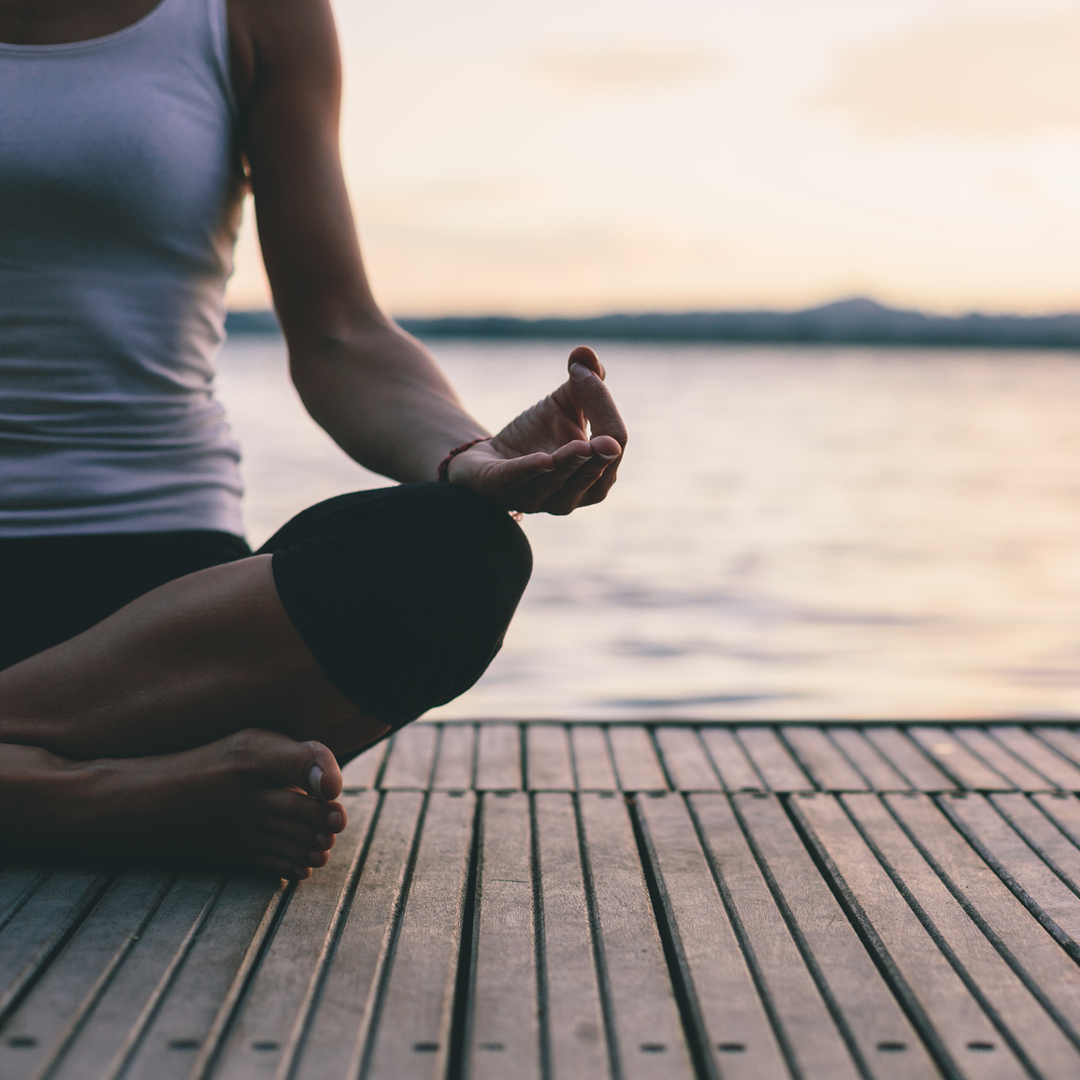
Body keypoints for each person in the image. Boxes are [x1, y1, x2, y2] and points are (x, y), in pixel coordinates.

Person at [0, 0, 626, 880]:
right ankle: (104, 795)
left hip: (157, 621)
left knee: (462, 557)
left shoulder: (249, 13)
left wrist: (470, 459)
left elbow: (338, 332)